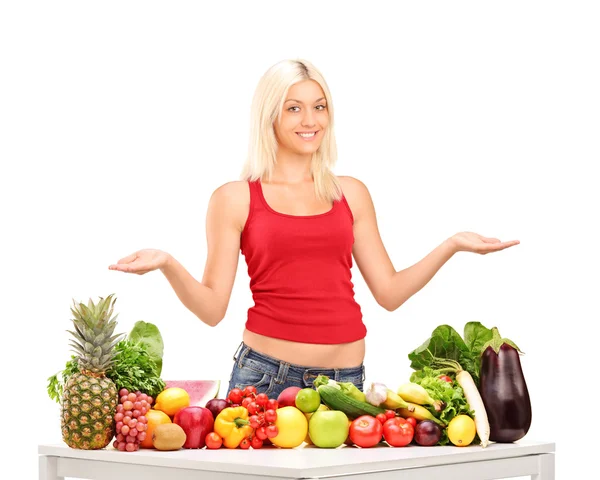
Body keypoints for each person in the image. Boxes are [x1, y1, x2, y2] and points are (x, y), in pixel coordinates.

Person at [109, 58, 519, 400]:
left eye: (319, 107)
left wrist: (451, 245)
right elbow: (213, 309)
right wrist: (166, 263)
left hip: (348, 381)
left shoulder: (351, 193)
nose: (310, 120)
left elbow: (389, 293)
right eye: (294, 108)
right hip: (266, 380)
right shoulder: (235, 199)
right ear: (269, 114)